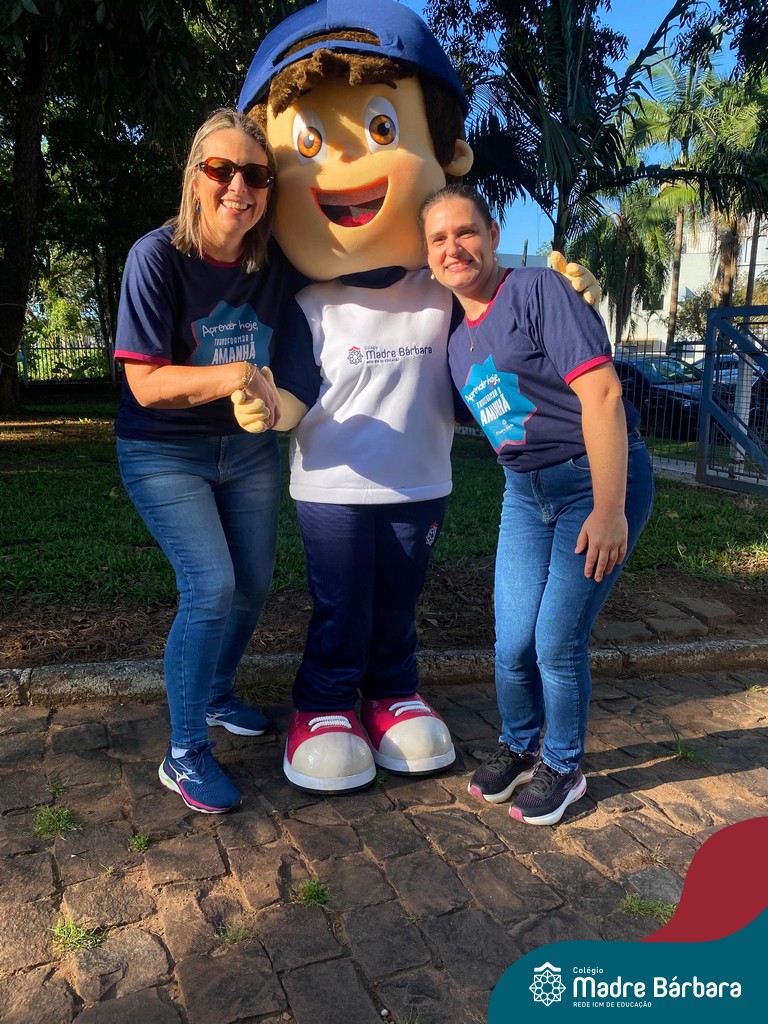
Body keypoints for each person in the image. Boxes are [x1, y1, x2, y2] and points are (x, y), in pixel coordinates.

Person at [231, 0, 601, 795]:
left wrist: (568, 300)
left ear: (448, 154)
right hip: (332, 484)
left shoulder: (444, 292)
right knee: (340, 604)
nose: (343, 166)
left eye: (382, 128)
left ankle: (393, 693)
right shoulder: (308, 303)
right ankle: (323, 704)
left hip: (420, 482)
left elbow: (509, 341)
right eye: (308, 145)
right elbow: (295, 393)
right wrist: (268, 406)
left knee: (398, 602)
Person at [420, 184, 655, 826]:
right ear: (427, 255)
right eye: (438, 239)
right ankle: (520, 745)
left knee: (556, 640)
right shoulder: (454, 340)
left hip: (593, 482)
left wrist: (610, 510)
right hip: (524, 493)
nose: (453, 248)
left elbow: (603, 395)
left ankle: (563, 765)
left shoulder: (535, 290)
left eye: (465, 232)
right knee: (512, 639)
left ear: (493, 235)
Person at [114, 108, 302, 814]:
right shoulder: (156, 257)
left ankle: (217, 692)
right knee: (211, 585)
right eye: (221, 170)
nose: (238, 187)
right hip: (163, 450)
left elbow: (362, 262)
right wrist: (234, 376)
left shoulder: (274, 261)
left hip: (247, 450)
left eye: (255, 174)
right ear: (195, 177)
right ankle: (185, 751)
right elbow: (145, 384)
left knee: (252, 585)